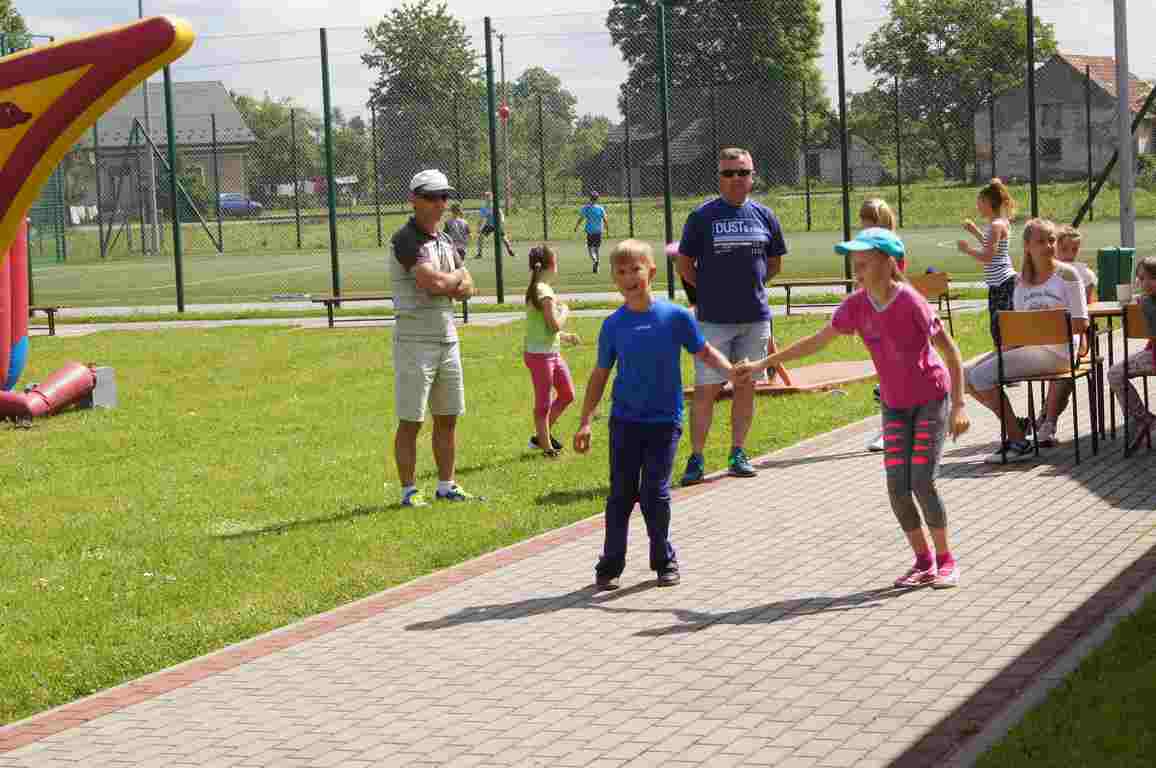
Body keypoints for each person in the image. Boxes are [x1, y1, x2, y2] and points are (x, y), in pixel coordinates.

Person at [737, 228, 970, 589]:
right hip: (894, 404)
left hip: (930, 398)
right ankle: (924, 561)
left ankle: (946, 560)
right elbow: (816, 341)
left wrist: (959, 405)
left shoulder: (910, 301)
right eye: (855, 262)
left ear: (888, 263)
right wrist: (762, 363)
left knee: (922, 481)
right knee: (897, 487)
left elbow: (950, 350)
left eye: (865, 261)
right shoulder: (856, 306)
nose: (857, 269)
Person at [573, 239, 742, 590]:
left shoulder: (675, 317)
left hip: (664, 422)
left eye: (635, 269)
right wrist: (586, 420)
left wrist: (731, 371)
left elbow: (704, 351)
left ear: (650, 272)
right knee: (620, 495)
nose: (629, 277)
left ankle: (663, 560)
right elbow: (600, 375)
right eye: (621, 272)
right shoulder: (613, 325)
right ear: (614, 278)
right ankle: (610, 564)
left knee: (654, 493)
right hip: (625, 423)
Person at [675, 147, 788, 485]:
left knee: (745, 387)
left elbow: (774, 264)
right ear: (719, 178)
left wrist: (749, 287)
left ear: (752, 176)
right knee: (706, 390)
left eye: (743, 172)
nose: (736, 178)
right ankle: (696, 458)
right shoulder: (701, 217)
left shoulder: (765, 215)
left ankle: (738, 453)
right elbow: (685, 265)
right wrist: (711, 291)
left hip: (754, 318)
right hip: (713, 321)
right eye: (728, 173)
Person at [964, 219, 1088, 464]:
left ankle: (1018, 441)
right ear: (1027, 246)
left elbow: (1080, 324)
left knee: (980, 377)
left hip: (1061, 353)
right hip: (1031, 350)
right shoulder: (1021, 283)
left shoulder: (1067, 275)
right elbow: (1020, 334)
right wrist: (996, 353)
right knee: (966, 374)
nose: (1049, 246)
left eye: (1051, 240)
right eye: (1041, 241)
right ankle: (1017, 427)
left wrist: (1042, 329)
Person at [390, 169, 478, 507]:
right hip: (414, 340)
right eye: (431, 196)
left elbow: (469, 288)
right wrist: (455, 278)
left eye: (444, 196)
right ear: (413, 199)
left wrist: (451, 282)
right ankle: (409, 491)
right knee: (411, 420)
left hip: (447, 337)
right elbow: (434, 284)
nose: (440, 203)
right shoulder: (405, 240)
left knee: (448, 417)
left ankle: (446, 485)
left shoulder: (444, 240)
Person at [1036, 225, 1097, 446]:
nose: (1070, 254)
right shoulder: (1043, 273)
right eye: (1064, 249)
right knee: (1064, 376)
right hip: (1046, 338)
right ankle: (1046, 422)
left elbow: (1088, 309)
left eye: (1075, 249)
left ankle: (1045, 420)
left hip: (1073, 336)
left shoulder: (1084, 274)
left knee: (1064, 374)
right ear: (1054, 248)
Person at [523, 245, 580, 457]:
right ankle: (547, 448)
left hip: (551, 353)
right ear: (551, 265)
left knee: (567, 394)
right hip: (540, 356)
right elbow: (554, 324)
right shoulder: (543, 292)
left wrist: (565, 336)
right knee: (543, 404)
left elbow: (545, 327)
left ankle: (541, 436)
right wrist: (565, 311)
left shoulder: (540, 288)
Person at [859, 198, 903, 453]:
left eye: (869, 221)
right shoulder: (866, 247)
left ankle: (890, 430)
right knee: (887, 375)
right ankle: (891, 427)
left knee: (891, 376)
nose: (865, 226)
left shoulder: (891, 248)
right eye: (863, 221)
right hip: (876, 316)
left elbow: (895, 281)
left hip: (891, 316)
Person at [958, 178, 1017, 348]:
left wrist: (967, 250)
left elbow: (988, 256)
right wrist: (975, 232)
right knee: (1001, 330)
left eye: (980, 202)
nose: (977, 207)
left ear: (988, 203)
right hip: (999, 283)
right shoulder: (999, 223)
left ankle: (1006, 361)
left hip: (1002, 284)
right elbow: (991, 247)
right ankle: (1005, 359)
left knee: (1001, 331)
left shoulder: (996, 226)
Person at [1108, 256, 1156, 452]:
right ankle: (1143, 420)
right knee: (1116, 372)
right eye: (1142, 278)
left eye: (1152, 278)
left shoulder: (1145, 303)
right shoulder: (1143, 301)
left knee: (1115, 373)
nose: (1146, 283)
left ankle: (1142, 420)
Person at [574, 192, 609, 273]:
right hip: (598, 231)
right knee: (597, 249)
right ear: (597, 199)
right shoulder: (600, 208)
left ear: (590, 198)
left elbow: (581, 218)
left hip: (590, 231)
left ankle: (595, 260)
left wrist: (576, 227)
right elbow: (605, 219)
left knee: (590, 249)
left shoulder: (586, 208)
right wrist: (607, 228)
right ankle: (597, 265)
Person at [476, 191, 514, 260]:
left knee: (504, 239)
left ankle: (510, 251)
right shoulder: (483, 208)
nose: (488, 198)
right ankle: (479, 254)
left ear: (492, 198)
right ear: (484, 198)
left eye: (489, 196)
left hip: (497, 225)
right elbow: (481, 219)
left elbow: (501, 215)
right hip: (489, 225)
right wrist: (479, 228)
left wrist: (501, 221)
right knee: (480, 237)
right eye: (486, 197)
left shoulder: (495, 206)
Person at [444, 203, 470, 268]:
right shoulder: (465, 222)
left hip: (452, 246)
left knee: (453, 265)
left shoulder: (448, 222)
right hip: (462, 246)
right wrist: (465, 242)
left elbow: (445, 235)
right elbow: (468, 234)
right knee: (461, 265)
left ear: (451, 211)